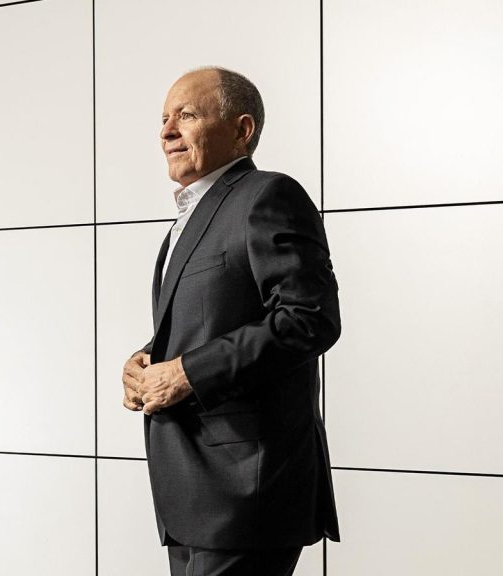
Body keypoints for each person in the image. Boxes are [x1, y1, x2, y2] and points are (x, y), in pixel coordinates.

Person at [122, 67, 341, 576]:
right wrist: (146, 361)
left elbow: (309, 318)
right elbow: (210, 322)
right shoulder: (188, 221)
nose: (167, 131)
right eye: (164, 119)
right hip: (193, 493)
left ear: (242, 130)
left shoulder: (268, 195)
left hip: (247, 491)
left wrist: (186, 373)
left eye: (186, 115)